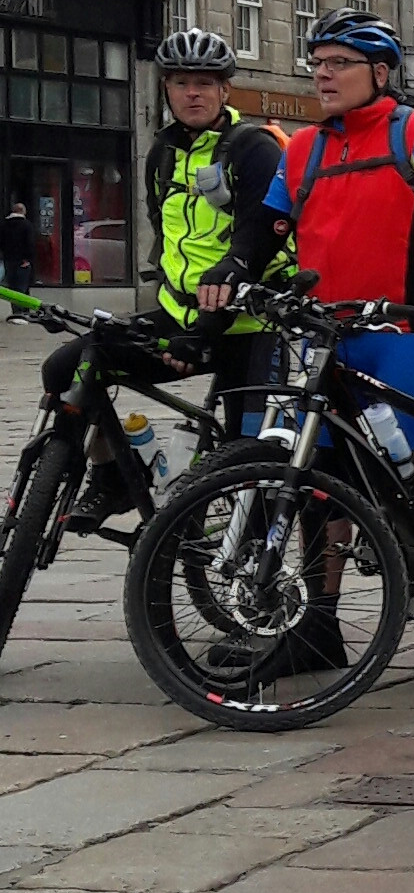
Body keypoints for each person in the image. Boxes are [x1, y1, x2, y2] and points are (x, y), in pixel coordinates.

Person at [223, 11, 414, 672]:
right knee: (317, 480)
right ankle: (319, 625)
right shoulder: (303, 149)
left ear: (379, 72)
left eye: (338, 64)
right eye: (317, 63)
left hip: (409, 332)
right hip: (327, 335)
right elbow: (266, 227)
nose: (322, 75)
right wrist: (233, 266)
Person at [59, 28, 292, 528]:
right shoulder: (162, 154)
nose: (193, 93)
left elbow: (260, 245)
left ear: (225, 90)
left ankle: (251, 554)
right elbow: (166, 238)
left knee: (251, 460)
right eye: (181, 83)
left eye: (205, 83)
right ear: (165, 89)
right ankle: (112, 474)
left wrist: (208, 327)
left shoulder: (254, 150)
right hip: (181, 316)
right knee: (69, 367)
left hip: (250, 327)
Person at [0, 202, 32, 293]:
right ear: (23, 211)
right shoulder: (27, 225)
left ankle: (14, 301)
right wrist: (28, 259)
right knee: (22, 286)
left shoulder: (4, 224)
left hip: (8, 259)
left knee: (12, 285)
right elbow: (29, 243)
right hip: (22, 261)